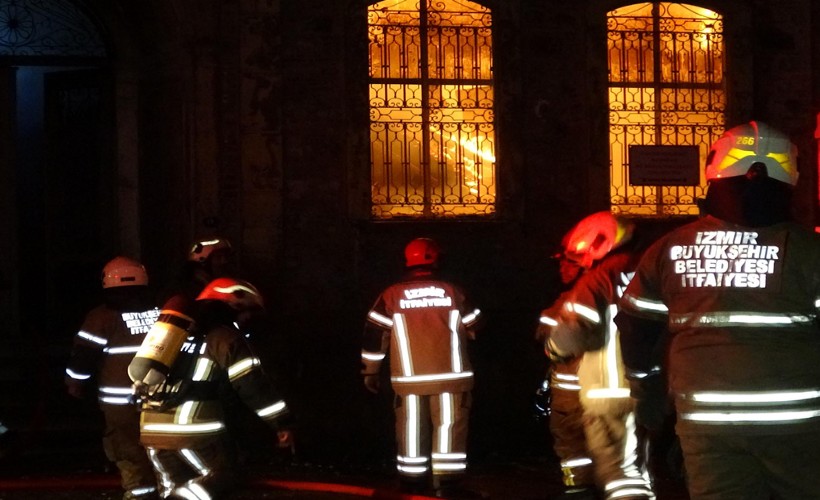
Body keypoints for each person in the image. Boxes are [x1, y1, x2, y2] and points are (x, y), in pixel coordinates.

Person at [616, 120, 820, 499]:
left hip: (708, 429)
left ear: (715, 170)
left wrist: (649, 399)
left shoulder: (669, 248)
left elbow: (635, 331)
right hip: (799, 432)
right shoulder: (810, 252)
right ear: (791, 176)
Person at [136, 277, 292, 499]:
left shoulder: (167, 336)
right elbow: (252, 385)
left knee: (174, 489)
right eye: (248, 312)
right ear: (232, 307)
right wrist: (282, 423)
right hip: (194, 432)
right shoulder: (225, 338)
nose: (248, 320)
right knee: (224, 477)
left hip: (151, 430)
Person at [543, 212, 656, 500]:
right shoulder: (652, 269)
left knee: (619, 472)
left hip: (608, 392)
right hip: (649, 390)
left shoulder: (599, 279)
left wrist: (553, 349)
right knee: (637, 467)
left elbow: (571, 334)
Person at [361, 237, 482, 498]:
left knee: (411, 431)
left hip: (409, 382)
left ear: (407, 261)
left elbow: (373, 335)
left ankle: (412, 484)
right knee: (449, 429)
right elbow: (475, 328)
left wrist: (370, 370)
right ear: (437, 259)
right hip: (452, 379)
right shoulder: (453, 291)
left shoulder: (391, 295)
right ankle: (447, 486)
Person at [65, 256, 161, 500]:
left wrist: (74, 383)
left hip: (120, 403)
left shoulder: (100, 317)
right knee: (162, 449)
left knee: (128, 451)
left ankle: (139, 494)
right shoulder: (162, 312)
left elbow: (83, 358)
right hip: (162, 397)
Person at [533, 228, 596, 497]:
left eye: (567, 263)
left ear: (583, 264)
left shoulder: (569, 301)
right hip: (606, 390)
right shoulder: (609, 291)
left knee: (571, 444)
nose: (561, 268)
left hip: (572, 393)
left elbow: (545, 336)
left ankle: (578, 488)